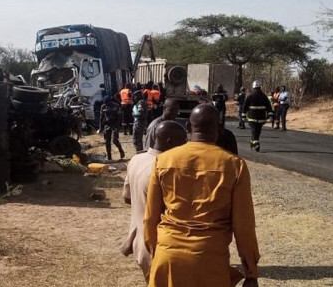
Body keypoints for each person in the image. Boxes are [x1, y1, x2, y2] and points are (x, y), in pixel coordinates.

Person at [144, 104, 260, 287]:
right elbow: (243, 226)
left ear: (189, 128)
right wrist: (251, 272)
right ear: (219, 130)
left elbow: (150, 218)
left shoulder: (163, 160)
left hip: (168, 255)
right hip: (210, 258)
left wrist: (155, 254)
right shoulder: (234, 165)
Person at [121, 121, 188, 282]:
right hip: (159, 246)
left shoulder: (136, 159)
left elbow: (127, 197)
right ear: (170, 142)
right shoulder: (166, 168)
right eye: (183, 142)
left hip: (139, 242)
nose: (185, 146)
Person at [242, 80, 273, 152]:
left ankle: (253, 143)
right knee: (255, 131)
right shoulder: (262, 96)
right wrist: (270, 115)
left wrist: (243, 117)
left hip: (255, 118)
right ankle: (256, 144)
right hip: (257, 118)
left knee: (256, 132)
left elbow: (245, 107)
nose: (257, 90)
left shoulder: (252, 96)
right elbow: (269, 107)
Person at [98, 95, 125, 161]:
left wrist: (119, 126)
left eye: (107, 102)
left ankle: (121, 150)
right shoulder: (103, 106)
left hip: (114, 125)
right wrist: (100, 128)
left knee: (114, 140)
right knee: (107, 141)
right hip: (107, 125)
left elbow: (119, 117)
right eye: (105, 102)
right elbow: (101, 118)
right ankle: (109, 156)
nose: (107, 104)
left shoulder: (116, 106)